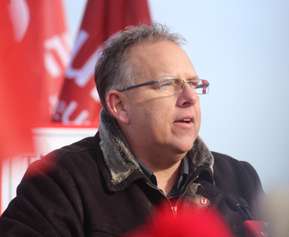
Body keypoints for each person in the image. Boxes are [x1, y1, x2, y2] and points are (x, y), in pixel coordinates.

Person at [0, 24, 263, 237]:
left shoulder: (239, 177)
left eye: (194, 84)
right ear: (119, 105)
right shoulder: (60, 179)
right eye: (168, 84)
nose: (189, 97)